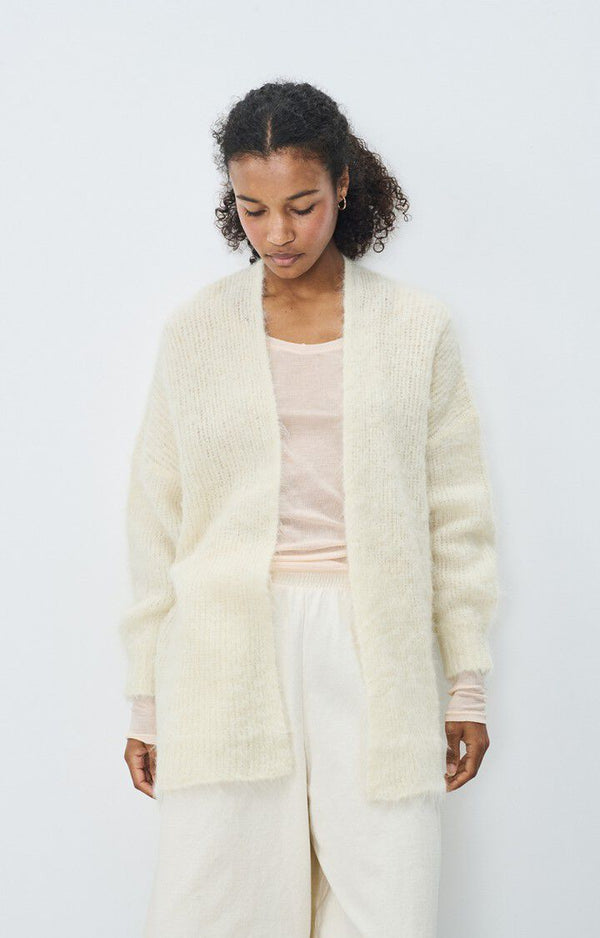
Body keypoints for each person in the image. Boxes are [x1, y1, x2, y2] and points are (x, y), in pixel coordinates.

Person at [120, 80, 499, 938]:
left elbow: (457, 515)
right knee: (217, 910)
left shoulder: (416, 328)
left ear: (342, 185)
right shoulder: (197, 332)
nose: (278, 234)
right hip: (225, 648)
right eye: (252, 210)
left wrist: (466, 685)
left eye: (301, 206)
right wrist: (145, 700)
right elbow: (155, 520)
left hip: (376, 645)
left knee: (386, 908)